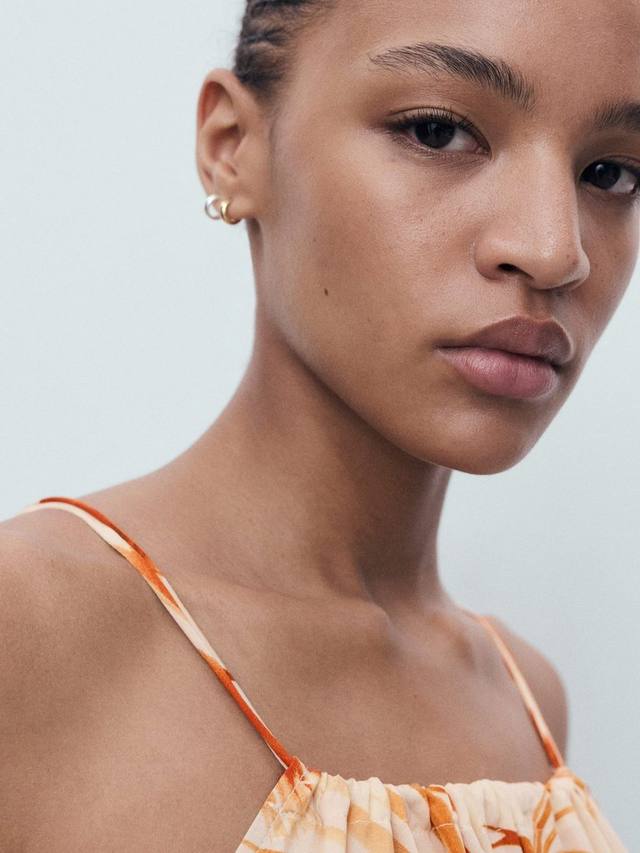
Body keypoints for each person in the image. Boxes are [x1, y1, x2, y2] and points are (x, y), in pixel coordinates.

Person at [0, 0, 635, 849]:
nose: (556, 249)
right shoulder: (30, 628)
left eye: (611, 174)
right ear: (233, 146)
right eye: (439, 132)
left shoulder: (527, 699)